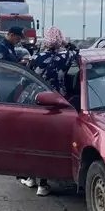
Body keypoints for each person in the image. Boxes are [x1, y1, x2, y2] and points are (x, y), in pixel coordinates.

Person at [19, 26, 78, 196]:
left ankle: (31, 177)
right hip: (57, 102)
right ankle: (43, 184)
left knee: (34, 141)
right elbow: (77, 53)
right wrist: (66, 44)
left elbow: (25, 78)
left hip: (36, 102)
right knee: (49, 142)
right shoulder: (66, 56)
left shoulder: (37, 57)